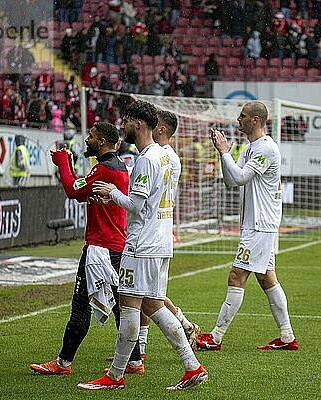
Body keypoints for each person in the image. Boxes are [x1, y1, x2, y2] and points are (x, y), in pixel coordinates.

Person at [80, 100, 207, 391]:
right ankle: (192, 366)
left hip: (141, 244)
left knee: (129, 307)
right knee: (153, 305)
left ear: (138, 124)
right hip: (161, 242)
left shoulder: (145, 160)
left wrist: (112, 193)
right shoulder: (167, 156)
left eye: (125, 121)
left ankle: (114, 376)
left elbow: (136, 206)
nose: (121, 126)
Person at [30, 121, 143, 376]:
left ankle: (63, 363)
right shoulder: (117, 167)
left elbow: (72, 190)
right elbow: (82, 193)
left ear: (102, 141)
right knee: (119, 305)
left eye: (90, 136)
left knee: (81, 304)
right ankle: (134, 361)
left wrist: (62, 162)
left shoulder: (104, 170)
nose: (87, 140)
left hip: (100, 248)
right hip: (114, 245)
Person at [196, 101, 298, 352]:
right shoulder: (251, 147)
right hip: (257, 224)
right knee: (266, 278)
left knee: (236, 275)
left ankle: (216, 337)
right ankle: (287, 337)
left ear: (255, 120)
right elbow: (233, 182)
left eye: (242, 116)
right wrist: (225, 155)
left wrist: (224, 152)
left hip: (260, 225)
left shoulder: (266, 148)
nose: (237, 119)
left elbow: (240, 177)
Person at [134, 110, 200, 360]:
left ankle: (184, 327)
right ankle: (138, 350)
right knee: (146, 296)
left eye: (155, 125)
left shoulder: (160, 157)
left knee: (151, 298)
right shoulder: (166, 156)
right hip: (160, 230)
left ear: (161, 130)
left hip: (154, 231)